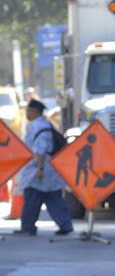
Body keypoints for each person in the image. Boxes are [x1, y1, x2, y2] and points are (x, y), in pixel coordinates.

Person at [15, 99, 74, 236]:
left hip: (40, 167)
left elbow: (41, 149)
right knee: (54, 198)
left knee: (32, 199)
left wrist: (40, 169)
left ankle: (28, 227)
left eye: (28, 111)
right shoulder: (47, 125)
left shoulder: (37, 126)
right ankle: (65, 224)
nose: (27, 113)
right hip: (50, 168)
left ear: (34, 112)